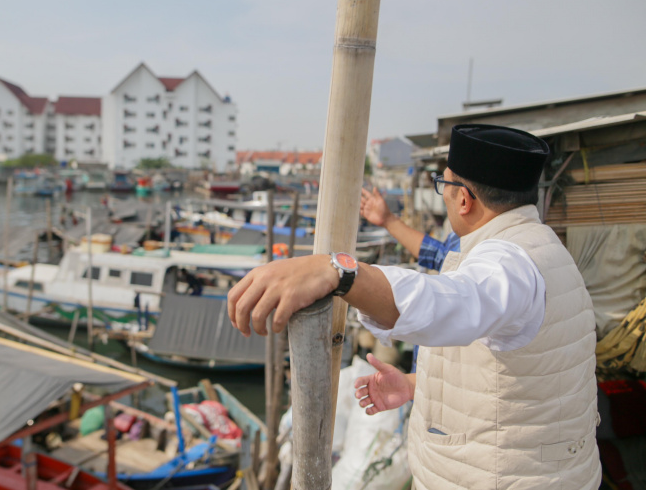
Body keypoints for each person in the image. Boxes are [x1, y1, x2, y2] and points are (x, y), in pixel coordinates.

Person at [227, 124, 600, 489]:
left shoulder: (508, 262)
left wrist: (336, 271)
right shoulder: (542, 247)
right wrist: (416, 384)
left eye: (444, 186)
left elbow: (447, 301)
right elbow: (523, 376)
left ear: (464, 199)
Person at [360, 186, 460, 372]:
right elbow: (440, 255)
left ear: (464, 199)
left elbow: (441, 257)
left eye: (444, 184)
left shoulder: (481, 249)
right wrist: (388, 221)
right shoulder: (465, 239)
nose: (444, 193)